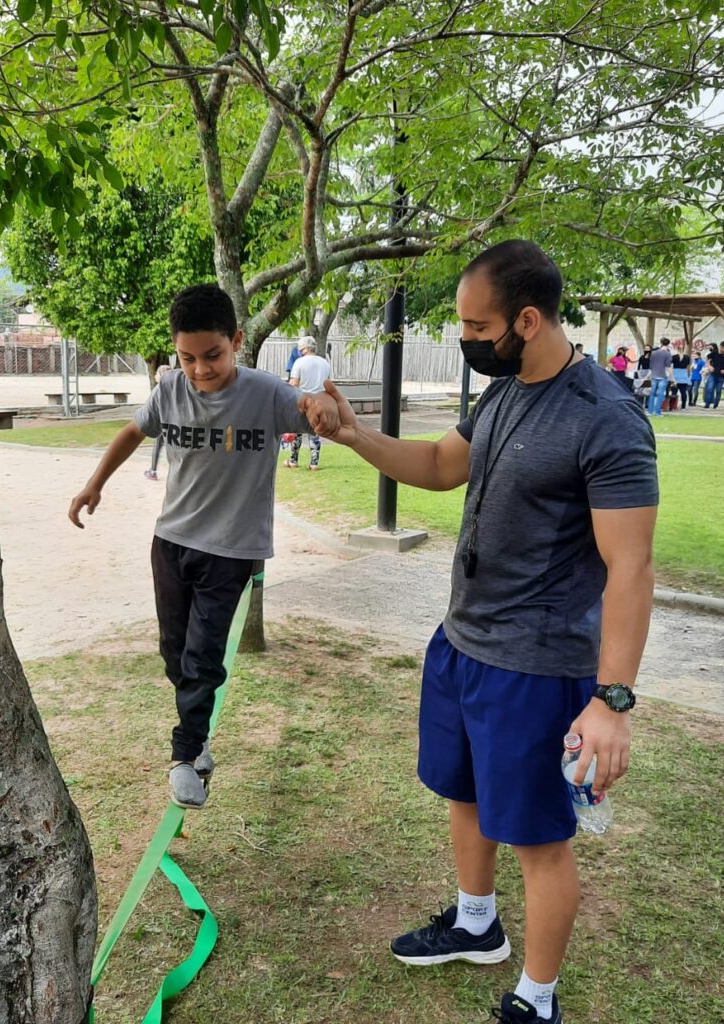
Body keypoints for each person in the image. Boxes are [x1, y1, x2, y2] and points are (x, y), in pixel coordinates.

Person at [318, 240, 658, 1024]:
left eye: (478, 327)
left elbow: (632, 568)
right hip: (463, 643)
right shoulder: (505, 393)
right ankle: (477, 924)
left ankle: (537, 999)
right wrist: (353, 434)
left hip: (536, 668)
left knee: (538, 838)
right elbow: (442, 465)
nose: (467, 339)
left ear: (527, 321)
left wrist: (612, 701)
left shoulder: (605, 418)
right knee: (463, 792)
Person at [68, 284, 336, 810]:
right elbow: (132, 432)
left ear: (236, 340)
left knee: (203, 654)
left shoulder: (266, 394)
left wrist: (322, 402)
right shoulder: (170, 390)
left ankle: (185, 755)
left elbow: (317, 411)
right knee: (175, 652)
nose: (200, 369)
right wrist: (94, 484)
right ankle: (199, 734)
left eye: (212, 355)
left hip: (232, 550)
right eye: (187, 357)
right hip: (171, 541)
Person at [284, 336, 331, 471]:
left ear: (304, 348)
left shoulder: (299, 363)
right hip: (319, 401)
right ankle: (314, 463)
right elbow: (327, 383)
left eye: (300, 348)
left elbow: (293, 383)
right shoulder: (325, 363)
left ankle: (293, 460)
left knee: (297, 432)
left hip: (302, 401)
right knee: (314, 432)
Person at [144, 362, 172, 481]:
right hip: (174, 421)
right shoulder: (176, 389)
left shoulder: (159, 389)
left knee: (158, 445)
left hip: (163, 422)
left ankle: (153, 471)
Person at [703, 340, 724, 409]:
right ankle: (707, 404)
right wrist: (709, 366)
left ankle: (716, 404)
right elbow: (707, 359)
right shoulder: (714, 353)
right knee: (710, 388)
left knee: (718, 390)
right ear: (720, 347)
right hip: (713, 374)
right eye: (722, 348)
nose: (723, 350)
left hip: (721, 375)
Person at [647, 338, 672, 417]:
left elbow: (651, 365)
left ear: (661, 343)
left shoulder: (653, 353)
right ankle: (657, 412)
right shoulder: (668, 353)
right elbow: (668, 366)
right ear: (668, 344)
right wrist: (672, 377)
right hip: (663, 375)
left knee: (652, 393)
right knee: (660, 394)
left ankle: (650, 411)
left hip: (654, 375)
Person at [671, 342, 691, 410]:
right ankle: (683, 406)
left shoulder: (674, 357)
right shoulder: (687, 357)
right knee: (683, 392)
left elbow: (671, 366)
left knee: (674, 392)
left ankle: (672, 406)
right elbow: (688, 367)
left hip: (675, 374)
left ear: (677, 349)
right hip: (683, 374)